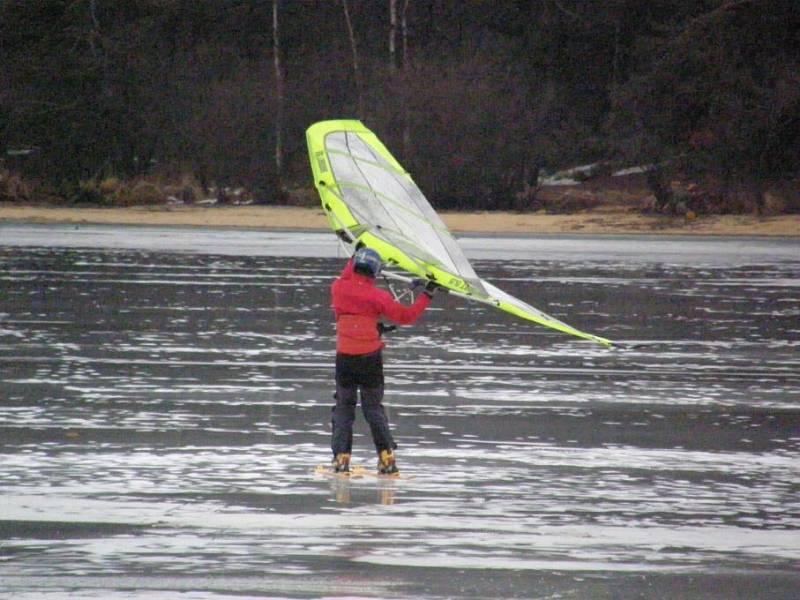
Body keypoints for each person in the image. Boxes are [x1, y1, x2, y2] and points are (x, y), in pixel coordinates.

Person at [330, 246, 439, 475]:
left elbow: (348, 274)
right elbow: (406, 316)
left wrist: (355, 252)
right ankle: (386, 457)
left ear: (356, 266)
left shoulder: (338, 287)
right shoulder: (378, 297)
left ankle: (341, 458)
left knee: (344, 407)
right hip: (370, 359)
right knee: (373, 408)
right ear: (375, 271)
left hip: (345, 360)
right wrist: (428, 293)